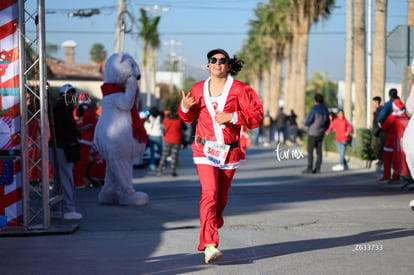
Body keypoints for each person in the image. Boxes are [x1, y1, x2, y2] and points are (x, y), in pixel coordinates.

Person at [179, 48, 263, 264]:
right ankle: (210, 245)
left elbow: (257, 116)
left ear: (228, 65)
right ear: (208, 65)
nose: (217, 63)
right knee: (210, 192)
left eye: (222, 60)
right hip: (204, 149)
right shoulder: (198, 89)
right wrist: (185, 108)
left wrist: (233, 116)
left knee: (221, 198)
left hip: (229, 151)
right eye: (213, 60)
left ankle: (214, 220)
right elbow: (189, 118)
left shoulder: (241, 89)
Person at [49, 84, 82, 220]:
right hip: (61, 148)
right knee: (67, 179)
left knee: (59, 180)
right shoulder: (61, 109)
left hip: (59, 148)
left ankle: (54, 208)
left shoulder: (63, 108)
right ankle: (69, 209)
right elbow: (62, 131)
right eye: (69, 94)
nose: (72, 96)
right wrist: (75, 134)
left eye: (73, 94)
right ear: (63, 95)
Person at [72, 92, 99, 188]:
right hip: (86, 141)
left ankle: (74, 181)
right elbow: (95, 125)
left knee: (76, 162)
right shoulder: (90, 113)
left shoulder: (75, 111)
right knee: (83, 162)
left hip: (76, 139)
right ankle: (79, 182)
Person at [380, 98, 408, 182]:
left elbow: (384, 128)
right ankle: (396, 176)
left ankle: (386, 176)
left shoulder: (391, 117)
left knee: (387, 159)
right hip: (401, 143)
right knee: (398, 160)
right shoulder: (405, 116)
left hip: (390, 142)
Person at [302, 93, 330, 174]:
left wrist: (306, 124)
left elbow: (309, 120)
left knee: (310, 151)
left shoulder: (314, 109)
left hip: (312, 133)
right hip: (321, 133)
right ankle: (318, 168)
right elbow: (328, 122)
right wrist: (324, 129)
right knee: (319, 151)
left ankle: (309, 168)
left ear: (315, 100)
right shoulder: (325, 109)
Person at [156, 105, 182, 177]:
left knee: (164, 155)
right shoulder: (179, 121)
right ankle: (172, 171)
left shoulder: (165, 120)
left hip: (167, 139)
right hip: (177, 140)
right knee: (174, 156)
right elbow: (183, 129)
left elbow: (163, 129)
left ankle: (159, 170)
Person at [144, 106, 164, 171]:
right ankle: (161, 165)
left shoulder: (149, 118)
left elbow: (146, 126)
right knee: (161, 151)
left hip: (151, 135)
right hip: (158, 135)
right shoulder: (160, 118)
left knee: (152, 152)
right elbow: (162, 127)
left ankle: (152, 164)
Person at [371, 96, 386, 166]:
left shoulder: (381, 110)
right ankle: (378, 159)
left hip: (380, 132)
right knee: (375, 146)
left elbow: (380, 121)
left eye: (373, 102)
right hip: (376, 131)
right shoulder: (376, 111)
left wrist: (378, 129)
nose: (372, 103)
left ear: (376, 102)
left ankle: (380, 159)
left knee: (379, 146)